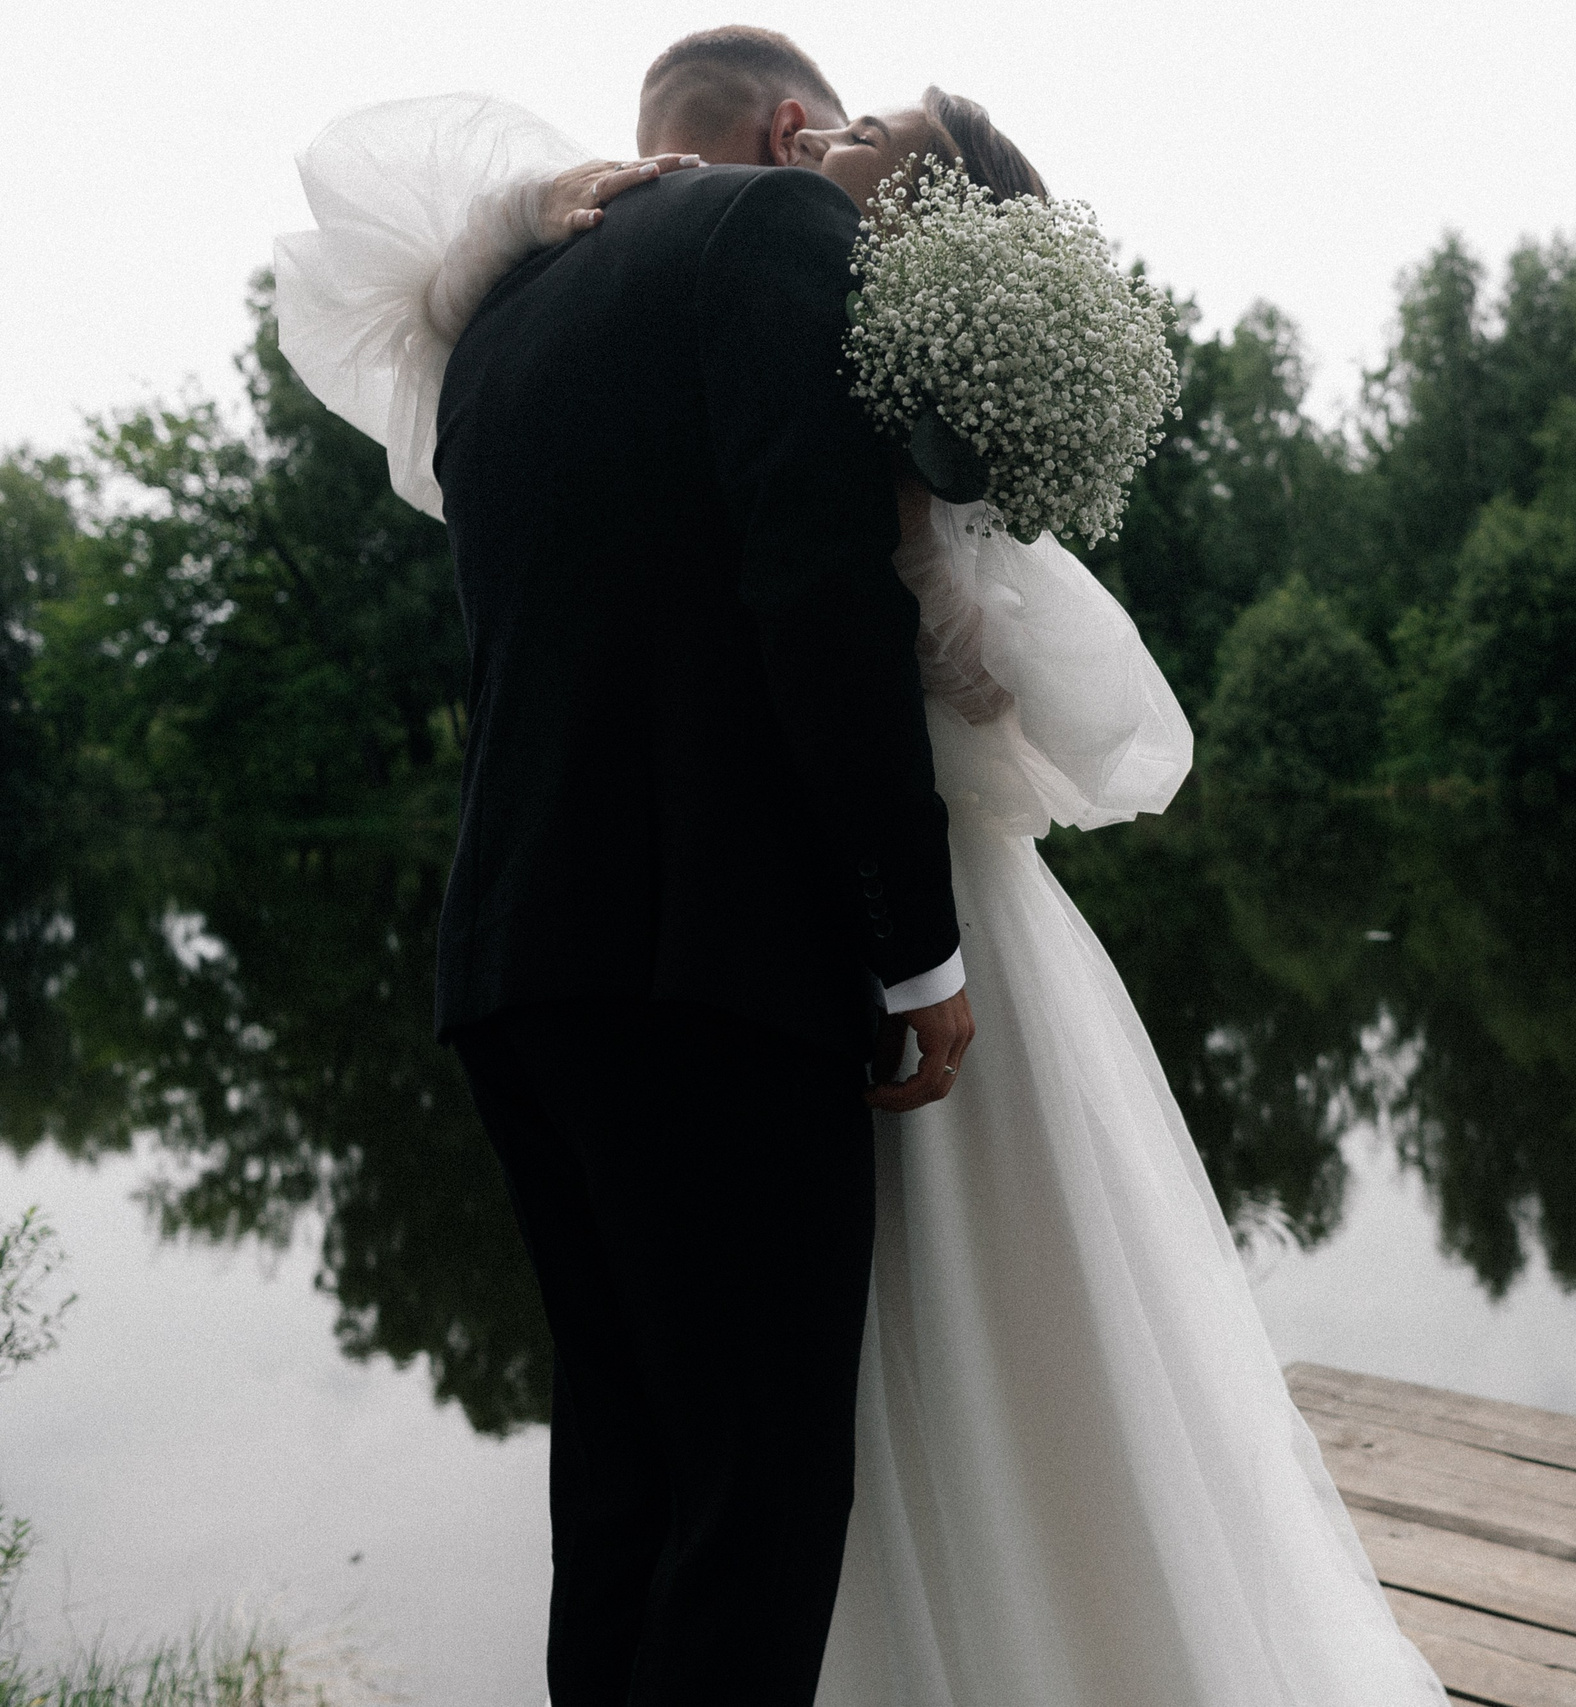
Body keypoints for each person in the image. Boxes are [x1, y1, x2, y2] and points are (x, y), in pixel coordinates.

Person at [274, 28, 1449, 1707]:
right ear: (793, 128)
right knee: (758, 1496)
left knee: (624, 1477)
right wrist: (917, 953)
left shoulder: (508, 314)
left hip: (518, 955)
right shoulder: (778, 237)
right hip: (719, 959)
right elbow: (817, 598)